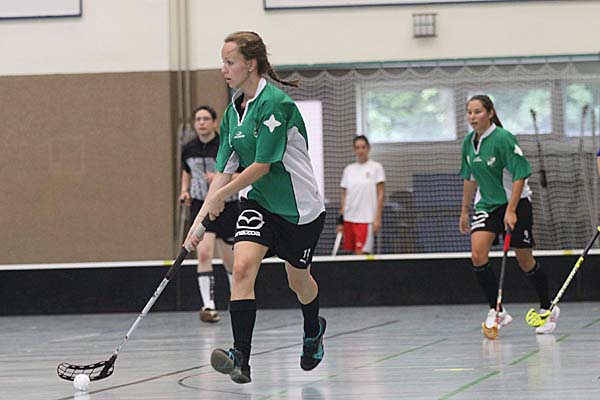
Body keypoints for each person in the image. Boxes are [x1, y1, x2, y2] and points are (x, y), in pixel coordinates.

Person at [185, 31, 326, 384]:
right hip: (258, 203)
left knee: (299, 281)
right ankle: (241, 358)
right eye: (222, 61)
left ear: (250, 64)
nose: (223, 69)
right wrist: (199, 223)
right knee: (243, 268)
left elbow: (262, 166)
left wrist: (221, 195)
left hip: (299, 210)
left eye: (229, 62)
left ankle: (313, 328)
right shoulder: (232, 114)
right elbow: (224, 171)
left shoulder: (275, 104)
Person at [459, 94, 559, 335]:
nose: (472, 117)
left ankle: (547, 306)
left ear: (490, 113)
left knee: (525, 260)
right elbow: (469, 177)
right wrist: (464, 210)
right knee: (477, 255)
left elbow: (520, 174)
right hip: (487, 204)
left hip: (516, 202)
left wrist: (512, 210)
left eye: (477, 112)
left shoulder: (503, 138)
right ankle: (497, 310)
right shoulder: (469, 143)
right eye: (469, 112)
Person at [180, 105, 237, 323]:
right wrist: (184, 191)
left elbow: (241, 172)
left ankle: (236, 299)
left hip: (227, 206)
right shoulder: (188, 149)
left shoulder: (226, 145)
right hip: (200, 204)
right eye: (198, 119)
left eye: (205, 119)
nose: (201, 123)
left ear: (214, 123)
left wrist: (220, 179)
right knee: (203, 253)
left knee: (230, 260)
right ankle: (208, 305)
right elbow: (186, 172)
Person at [337, 135, 385, 255]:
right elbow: (344, 195)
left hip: (366, 219)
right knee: (351, 255)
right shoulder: (349, 170)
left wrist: (378, 217)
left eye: (363, 147)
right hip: (349, 218)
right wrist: (341, 220)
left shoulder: (376, 167)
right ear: (354, 150)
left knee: (361, 254)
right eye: (357, 148)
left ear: (368, 148)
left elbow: (380, 193)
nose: (360, 150)